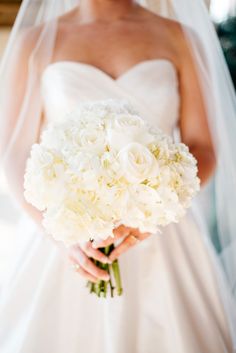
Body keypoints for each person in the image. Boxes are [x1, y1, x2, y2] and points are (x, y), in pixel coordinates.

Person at [0, 1, 235, 352]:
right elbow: (16, 153)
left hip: (162, 235)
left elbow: (202, 146)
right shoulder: (33, 43)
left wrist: (151, 212)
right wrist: (61, 231)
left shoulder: (181, 38)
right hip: (68, 238)